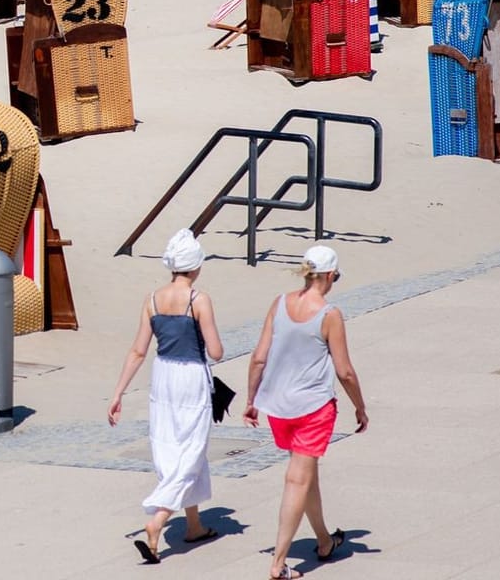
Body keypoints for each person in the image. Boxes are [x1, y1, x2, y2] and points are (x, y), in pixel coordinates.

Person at [244, 246, 368, 579]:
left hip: (278, 407)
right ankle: (278, 562)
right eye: (335, 277)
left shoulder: (280, 303)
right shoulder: (329, 314)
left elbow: (258, 357)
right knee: (297, 478)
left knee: (305, 471)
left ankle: (325, 541)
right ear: (329, 276)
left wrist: (251, 399)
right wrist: (360, 406)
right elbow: (345, 371)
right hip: (312, 407)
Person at [106, 230, 223, 565]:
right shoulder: (199, 300)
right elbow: (215, 351)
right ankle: (157, 521)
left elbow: (138, 351)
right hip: (190, 377)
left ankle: (195, 525)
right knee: (192, 446)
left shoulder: (153, 299)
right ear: (196, 266)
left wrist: (118, 393)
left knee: (174, 446)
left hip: (163, 377)